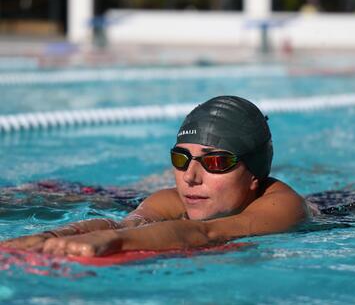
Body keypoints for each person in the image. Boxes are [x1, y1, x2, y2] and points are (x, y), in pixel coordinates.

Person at [0, 96, 310, 257]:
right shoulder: (171, 199)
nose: (190, 177)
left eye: (214, 162)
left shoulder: (283, 207)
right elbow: (125, 223)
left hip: (343, 207)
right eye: (181, 158)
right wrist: (51, 237)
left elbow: (209, 234)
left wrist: (114, 242)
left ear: (254, 174)